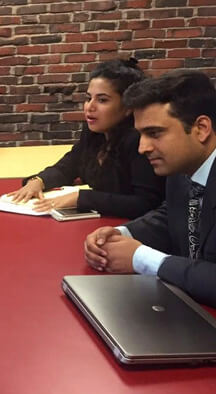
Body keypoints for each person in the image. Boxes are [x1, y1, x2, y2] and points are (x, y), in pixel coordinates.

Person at [84, 70, 216, 307]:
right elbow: (171, 217)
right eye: (141, 135)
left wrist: (141, 259)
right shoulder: (180, 171)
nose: (142, 148)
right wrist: (122, 234)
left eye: (154, 133)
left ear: (201, 128)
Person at [8, 59, 165, 219]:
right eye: (88, 98)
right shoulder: (94, 133)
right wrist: (38, 181)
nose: (90, 106)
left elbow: (146, 204)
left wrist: (80, 198)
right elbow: (68, 166)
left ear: (127, 107)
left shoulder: (139, 141)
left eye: (102, 100)